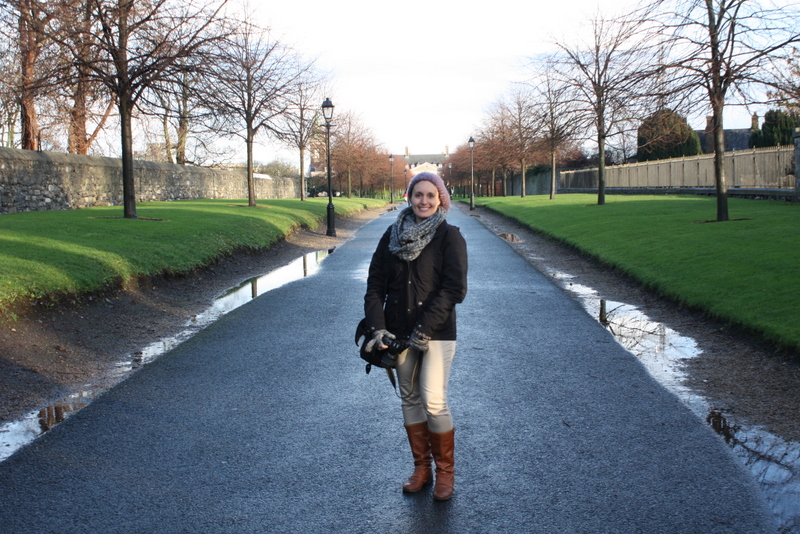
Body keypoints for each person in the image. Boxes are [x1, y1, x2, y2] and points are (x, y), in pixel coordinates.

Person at [363, 171, 468, 501]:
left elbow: (454, 290)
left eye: (430, 195)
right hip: (397, 333)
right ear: (409, 197)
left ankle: (446, 473)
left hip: (436, 333)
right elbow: (375, 286)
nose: (424, 201)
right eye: (418, 194)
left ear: (440, 200)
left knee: (433, 400)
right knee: (409, 398)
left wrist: (423, 329)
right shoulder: (391, 236)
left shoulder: (449, 237)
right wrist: (378, 328)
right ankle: (422, 468)